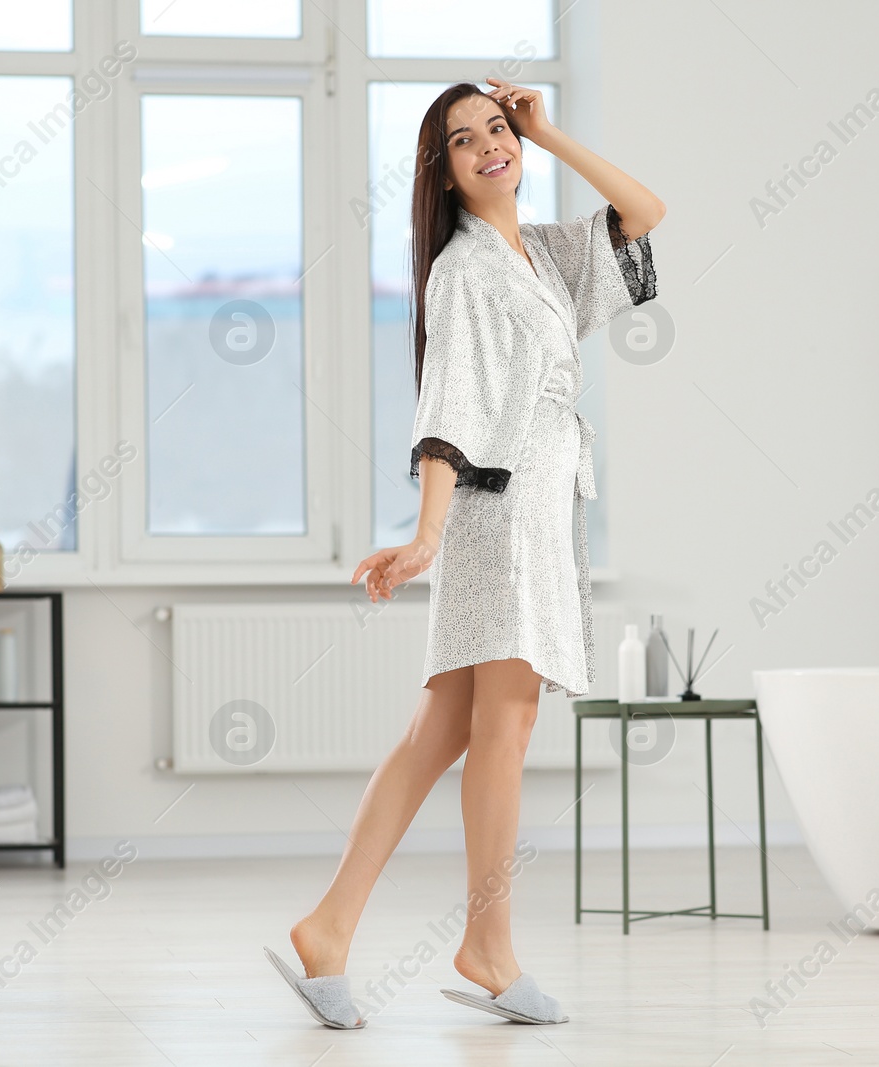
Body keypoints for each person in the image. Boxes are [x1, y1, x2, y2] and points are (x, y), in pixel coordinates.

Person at [265, 77, 663, 1029]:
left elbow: (643, 215)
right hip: (500, 520)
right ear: (439, 172)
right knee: (504, 731)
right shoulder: (465, 271)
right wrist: (426, 536)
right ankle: (488, 944)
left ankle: (329, 925)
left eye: (498, 130)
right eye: (464, 140)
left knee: (438, 731)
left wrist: (548, 129)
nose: (490, 146)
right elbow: (448, 405)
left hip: (531, 515)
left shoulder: (543, 255)